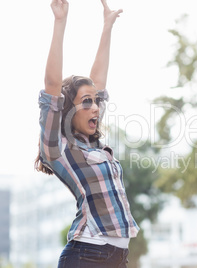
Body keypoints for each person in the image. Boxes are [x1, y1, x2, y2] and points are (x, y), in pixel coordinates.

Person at [35, 0, 139, 267]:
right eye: (86, 102)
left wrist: (106, 27)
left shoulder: (92, 144)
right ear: (69, 110)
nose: (95, 106)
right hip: (87, 256)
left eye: (95, 101)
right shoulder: (58, 149)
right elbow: (51, 86)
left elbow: (98, 82)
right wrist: (60, 22)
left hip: (117, 258)